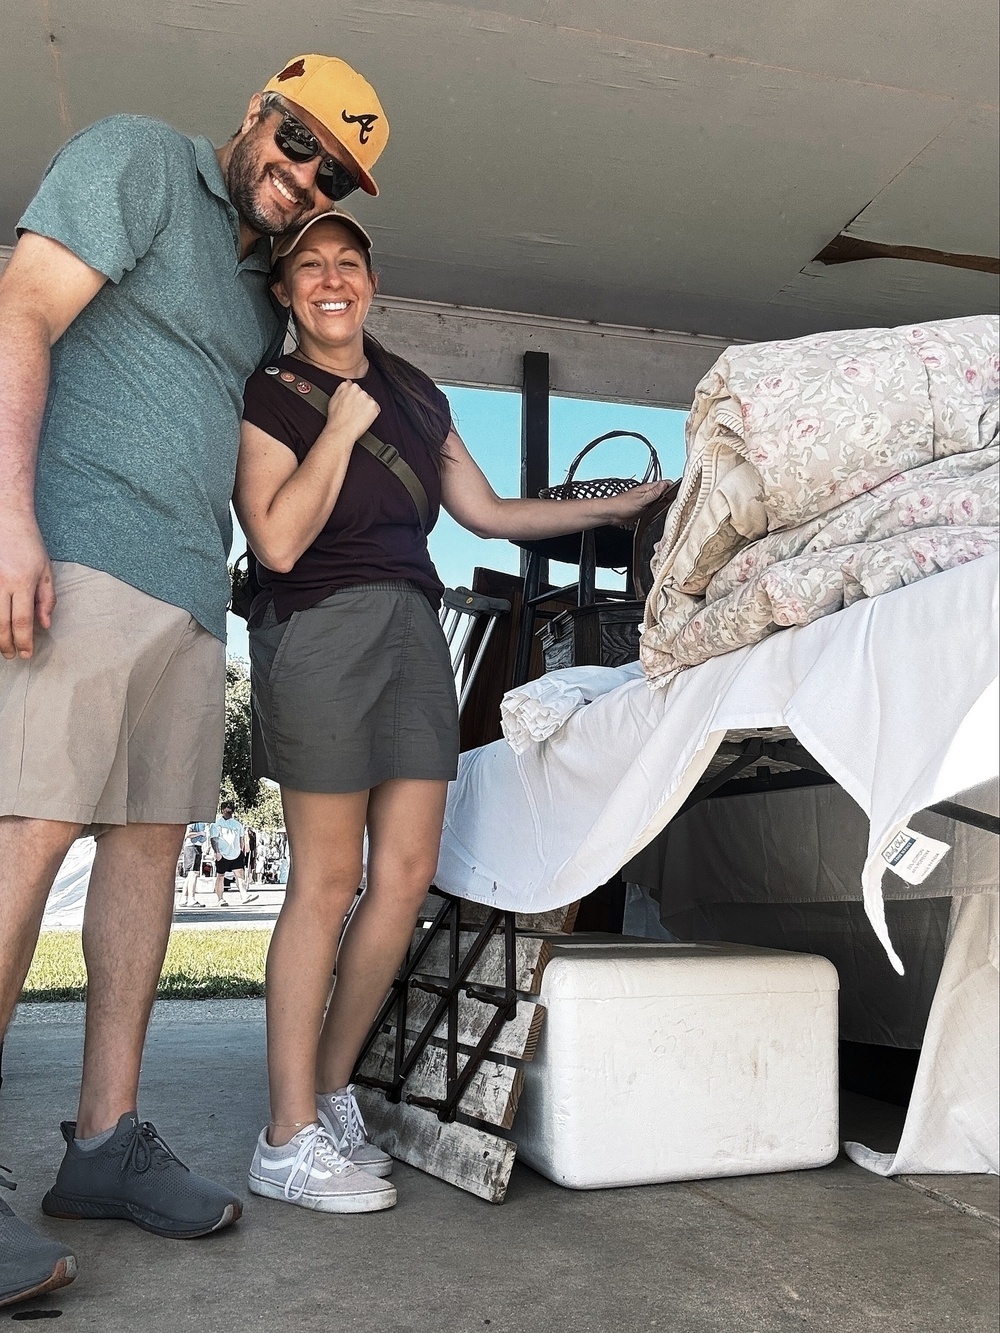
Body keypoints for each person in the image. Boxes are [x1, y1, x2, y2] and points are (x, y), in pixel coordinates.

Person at [0, 55, 389, 1305]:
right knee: (27, 839)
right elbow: (20, 312)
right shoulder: (138, 157)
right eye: (296, 138)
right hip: (75, 554)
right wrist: (9, 520)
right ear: (255, 113)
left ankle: (104, 1143)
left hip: (182, 592)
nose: (303, 172)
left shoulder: (254, 298)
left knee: (146, 854)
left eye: (333, 171)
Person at [234, 211, 670, 1214]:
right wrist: (340, 433)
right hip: (319, 626)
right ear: (284, 292)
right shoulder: (277, 393)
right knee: (327, 876)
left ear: (372, 280)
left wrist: (617, 507)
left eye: (347, 262)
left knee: (403, 875)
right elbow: (277, 542)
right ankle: (284, 1133)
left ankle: (332, 1090)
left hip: (412, 629)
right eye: (310, 267)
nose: (331, 279)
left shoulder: (417, 394)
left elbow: (490, 514)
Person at [210, 803, 258, 906]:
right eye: (226, 809)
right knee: (220, 876)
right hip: (222, 854)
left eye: (230, 809)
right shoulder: (216, 824)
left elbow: (241, 839)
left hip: (236, 853)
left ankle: (244, 895)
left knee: (239, 875)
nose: (228, 811)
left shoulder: (238, 824)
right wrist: (217, 852)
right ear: (222, 810)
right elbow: (213, 839)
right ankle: (220, 899)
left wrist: (242, 850)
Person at [178, 823, 212, 907]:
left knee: (190, 875)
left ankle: (184, 898)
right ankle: (191, 898)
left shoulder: (203, 823)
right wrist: (200, 833)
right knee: (193, 874)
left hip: (197, 847)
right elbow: (187, 834)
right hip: (191, 847)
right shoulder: (194, 822)